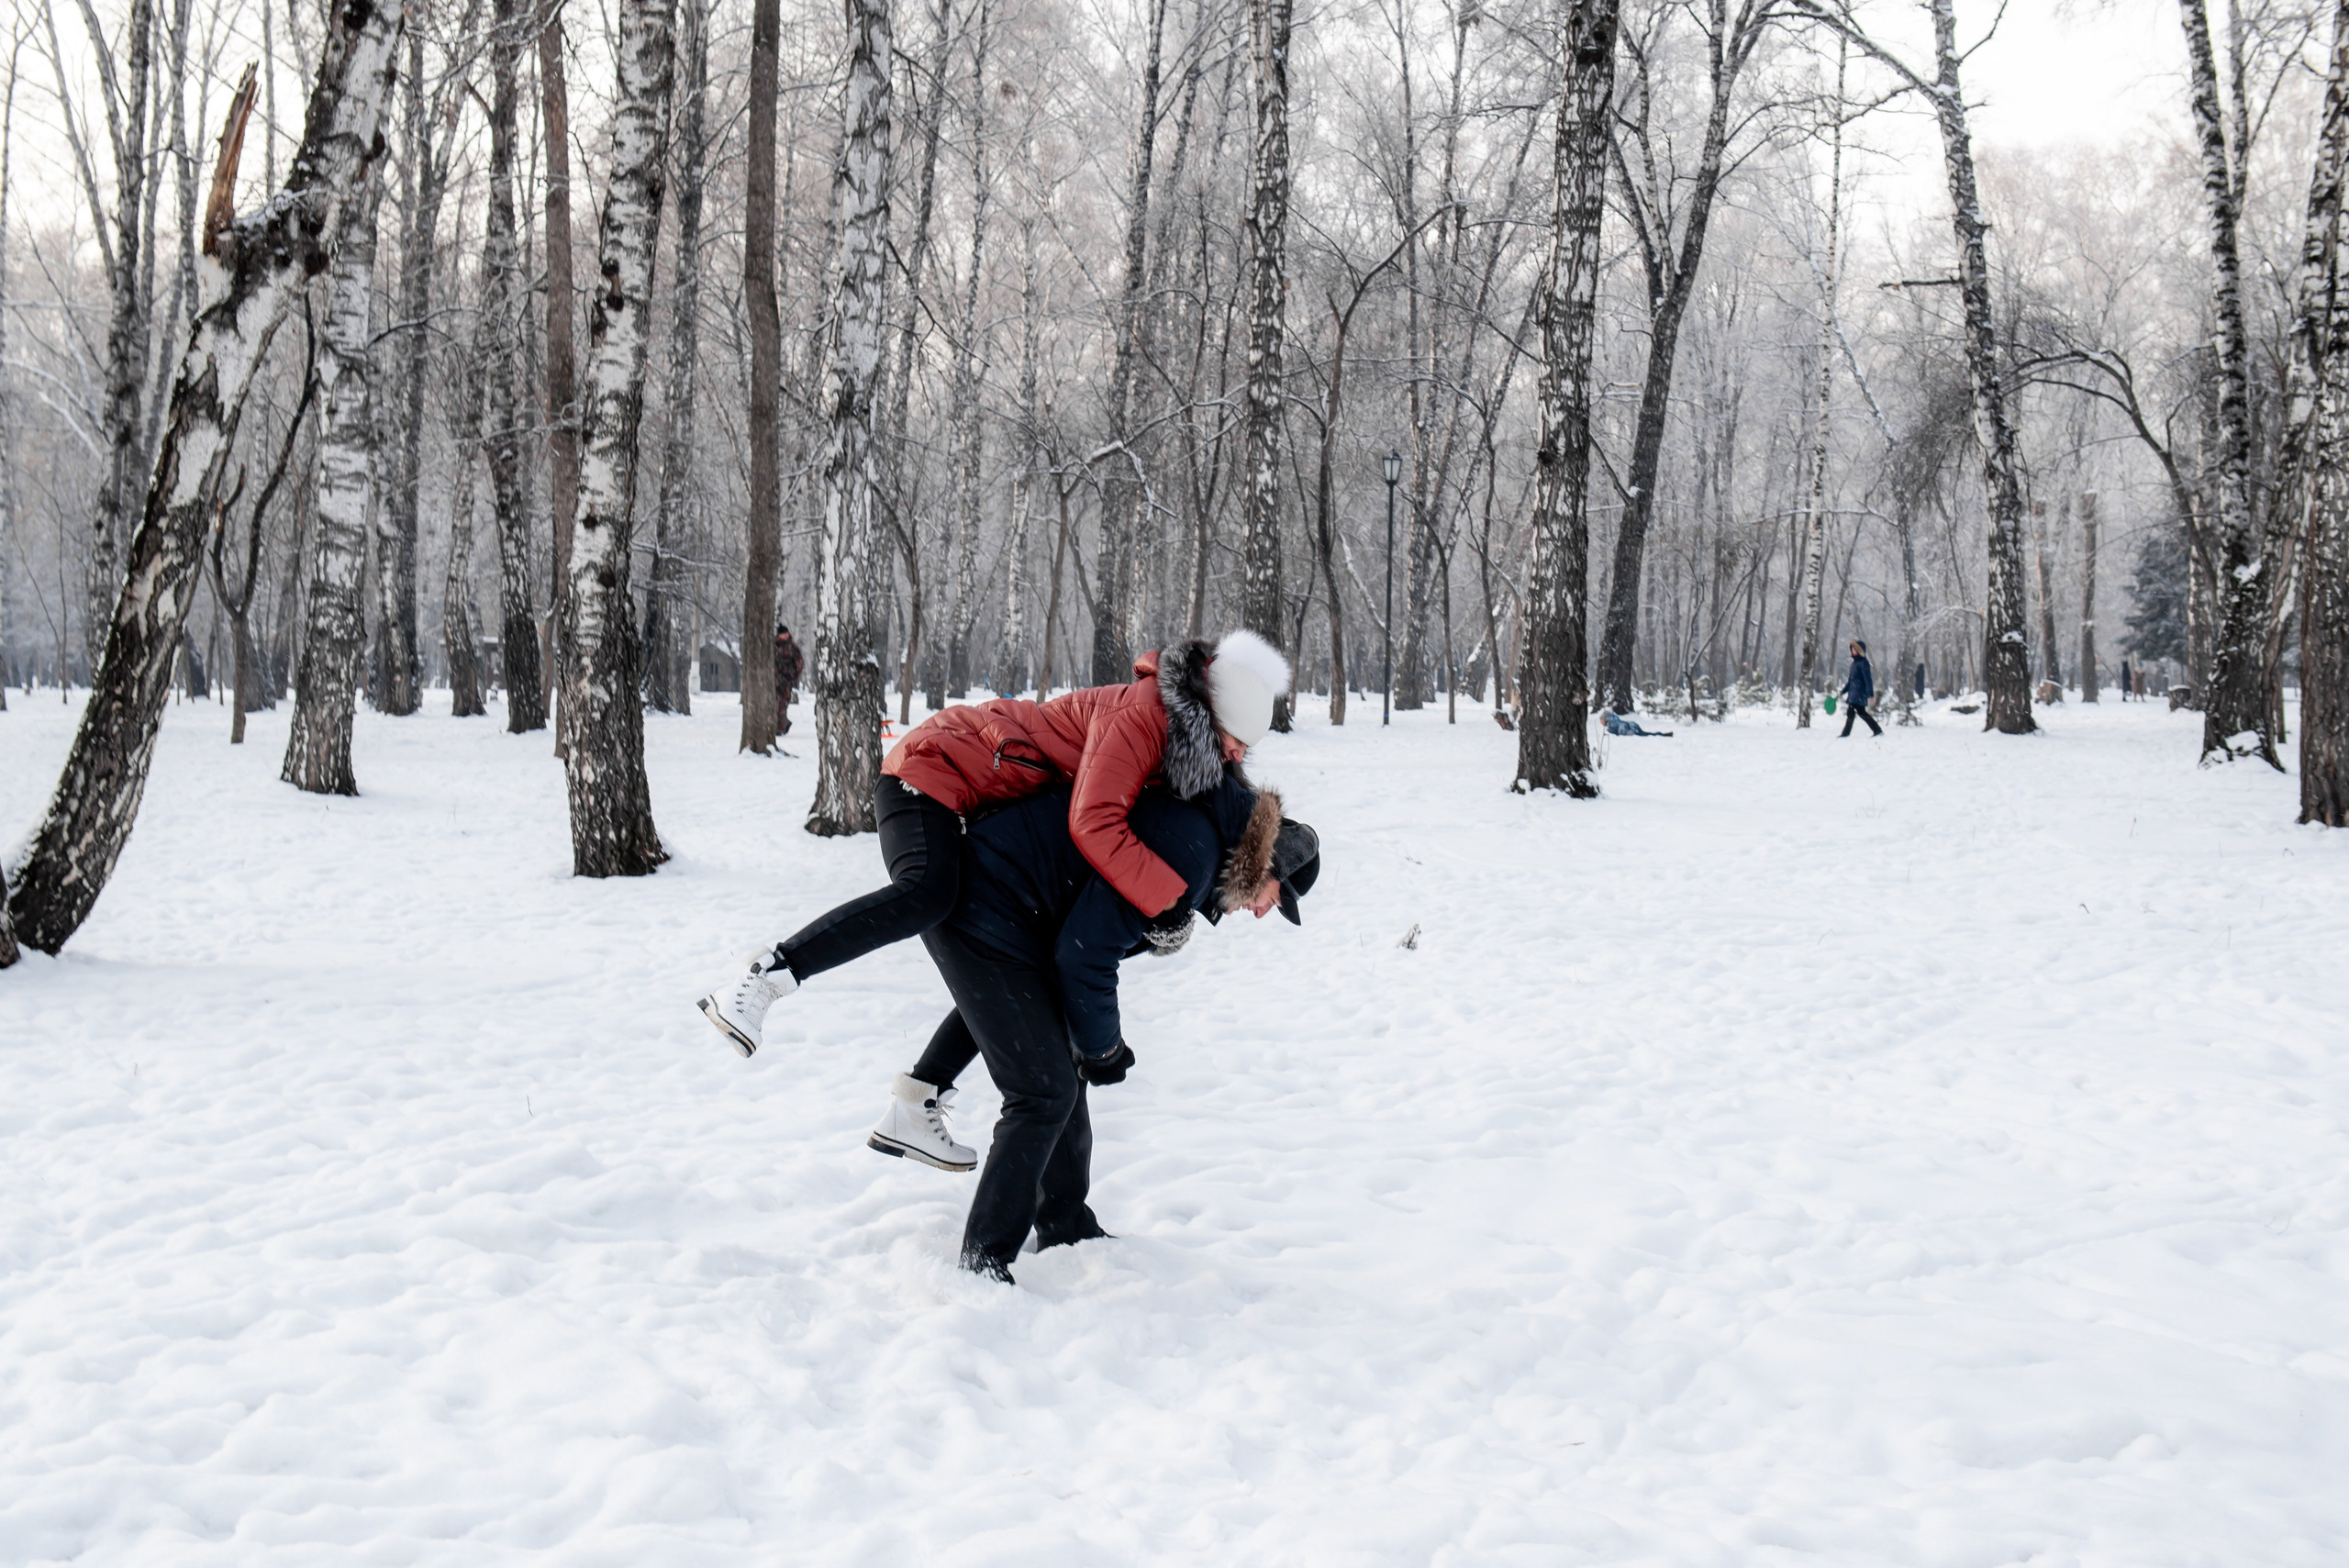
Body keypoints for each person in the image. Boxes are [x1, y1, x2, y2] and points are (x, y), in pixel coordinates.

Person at [696, 628, 1296, 1057]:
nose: (1240, 753)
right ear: (1208, 716)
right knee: (929, 893)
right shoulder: (1144, 716)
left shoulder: (1186, 742)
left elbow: (1228, 800)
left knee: (1010, 954)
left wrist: (1286, 854)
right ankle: (769, 969)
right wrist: (1167, 900)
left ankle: (920, 1097)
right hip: (931, 770)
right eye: (1236, 739)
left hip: (967, 796)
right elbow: (1094, 823)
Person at [873, 770, 1319, 1282]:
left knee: (1059, 1069)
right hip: (987, 903)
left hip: (1014, 911)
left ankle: (1064, 1224)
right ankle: (982, 1262)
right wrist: (1103, 1049)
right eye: (1275, 898)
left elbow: (1091, 931)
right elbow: (1083, 957)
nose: (1264, 913)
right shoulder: (1194, 854)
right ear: (1264, 864)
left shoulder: (1200, 847)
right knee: (1043, 1091)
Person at [1839, 639, 1882, 737]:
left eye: (1854, 649)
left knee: (1859, 713)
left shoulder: (1864, 663)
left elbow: (1868, 679)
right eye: (1852, 649)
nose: (1852, 651)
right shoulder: (1854, 664)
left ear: (1859, 650)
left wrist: (1870, 695)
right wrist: (1843, 691)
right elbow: (1851, 682)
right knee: (1853, 713)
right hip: (1853, 694)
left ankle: (1877, 730)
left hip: (1859, 694)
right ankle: (1876, 730)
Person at [774, 624, 805, 735]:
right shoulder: (773, 645)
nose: (786, 635)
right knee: (775, 703)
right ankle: (781, 725)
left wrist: (793, 676)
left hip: (786, 680)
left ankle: (780, 727)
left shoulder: (792, 647)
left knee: (782, 703)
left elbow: (800, 663)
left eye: (787, 633)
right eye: (783, 634)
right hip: (774, 680)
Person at [1602, 710, 1671, 738]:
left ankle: (1664, 735)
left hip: (1632, 729)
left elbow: (1622, 726)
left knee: (1647, 735)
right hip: (1633, 726)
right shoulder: (1613, 720)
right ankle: (1663, 734)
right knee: (1648, 734)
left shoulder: (1611, 722)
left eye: (1601, 720)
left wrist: (1626, 734)